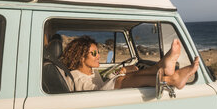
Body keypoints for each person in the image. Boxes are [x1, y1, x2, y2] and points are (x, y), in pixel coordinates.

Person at [60, 35, 199, 91]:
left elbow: (99, 84)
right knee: (121, 80)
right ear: (80, 57)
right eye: (94, 53)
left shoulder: (90, 71)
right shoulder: (76, 77)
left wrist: (117, 73)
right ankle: (172, 78)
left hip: (102, 93)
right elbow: (92, 96)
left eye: (98, 52)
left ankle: (160, 67)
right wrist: (118, 78)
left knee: (131, 73)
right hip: (100, 101)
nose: (99, 56)